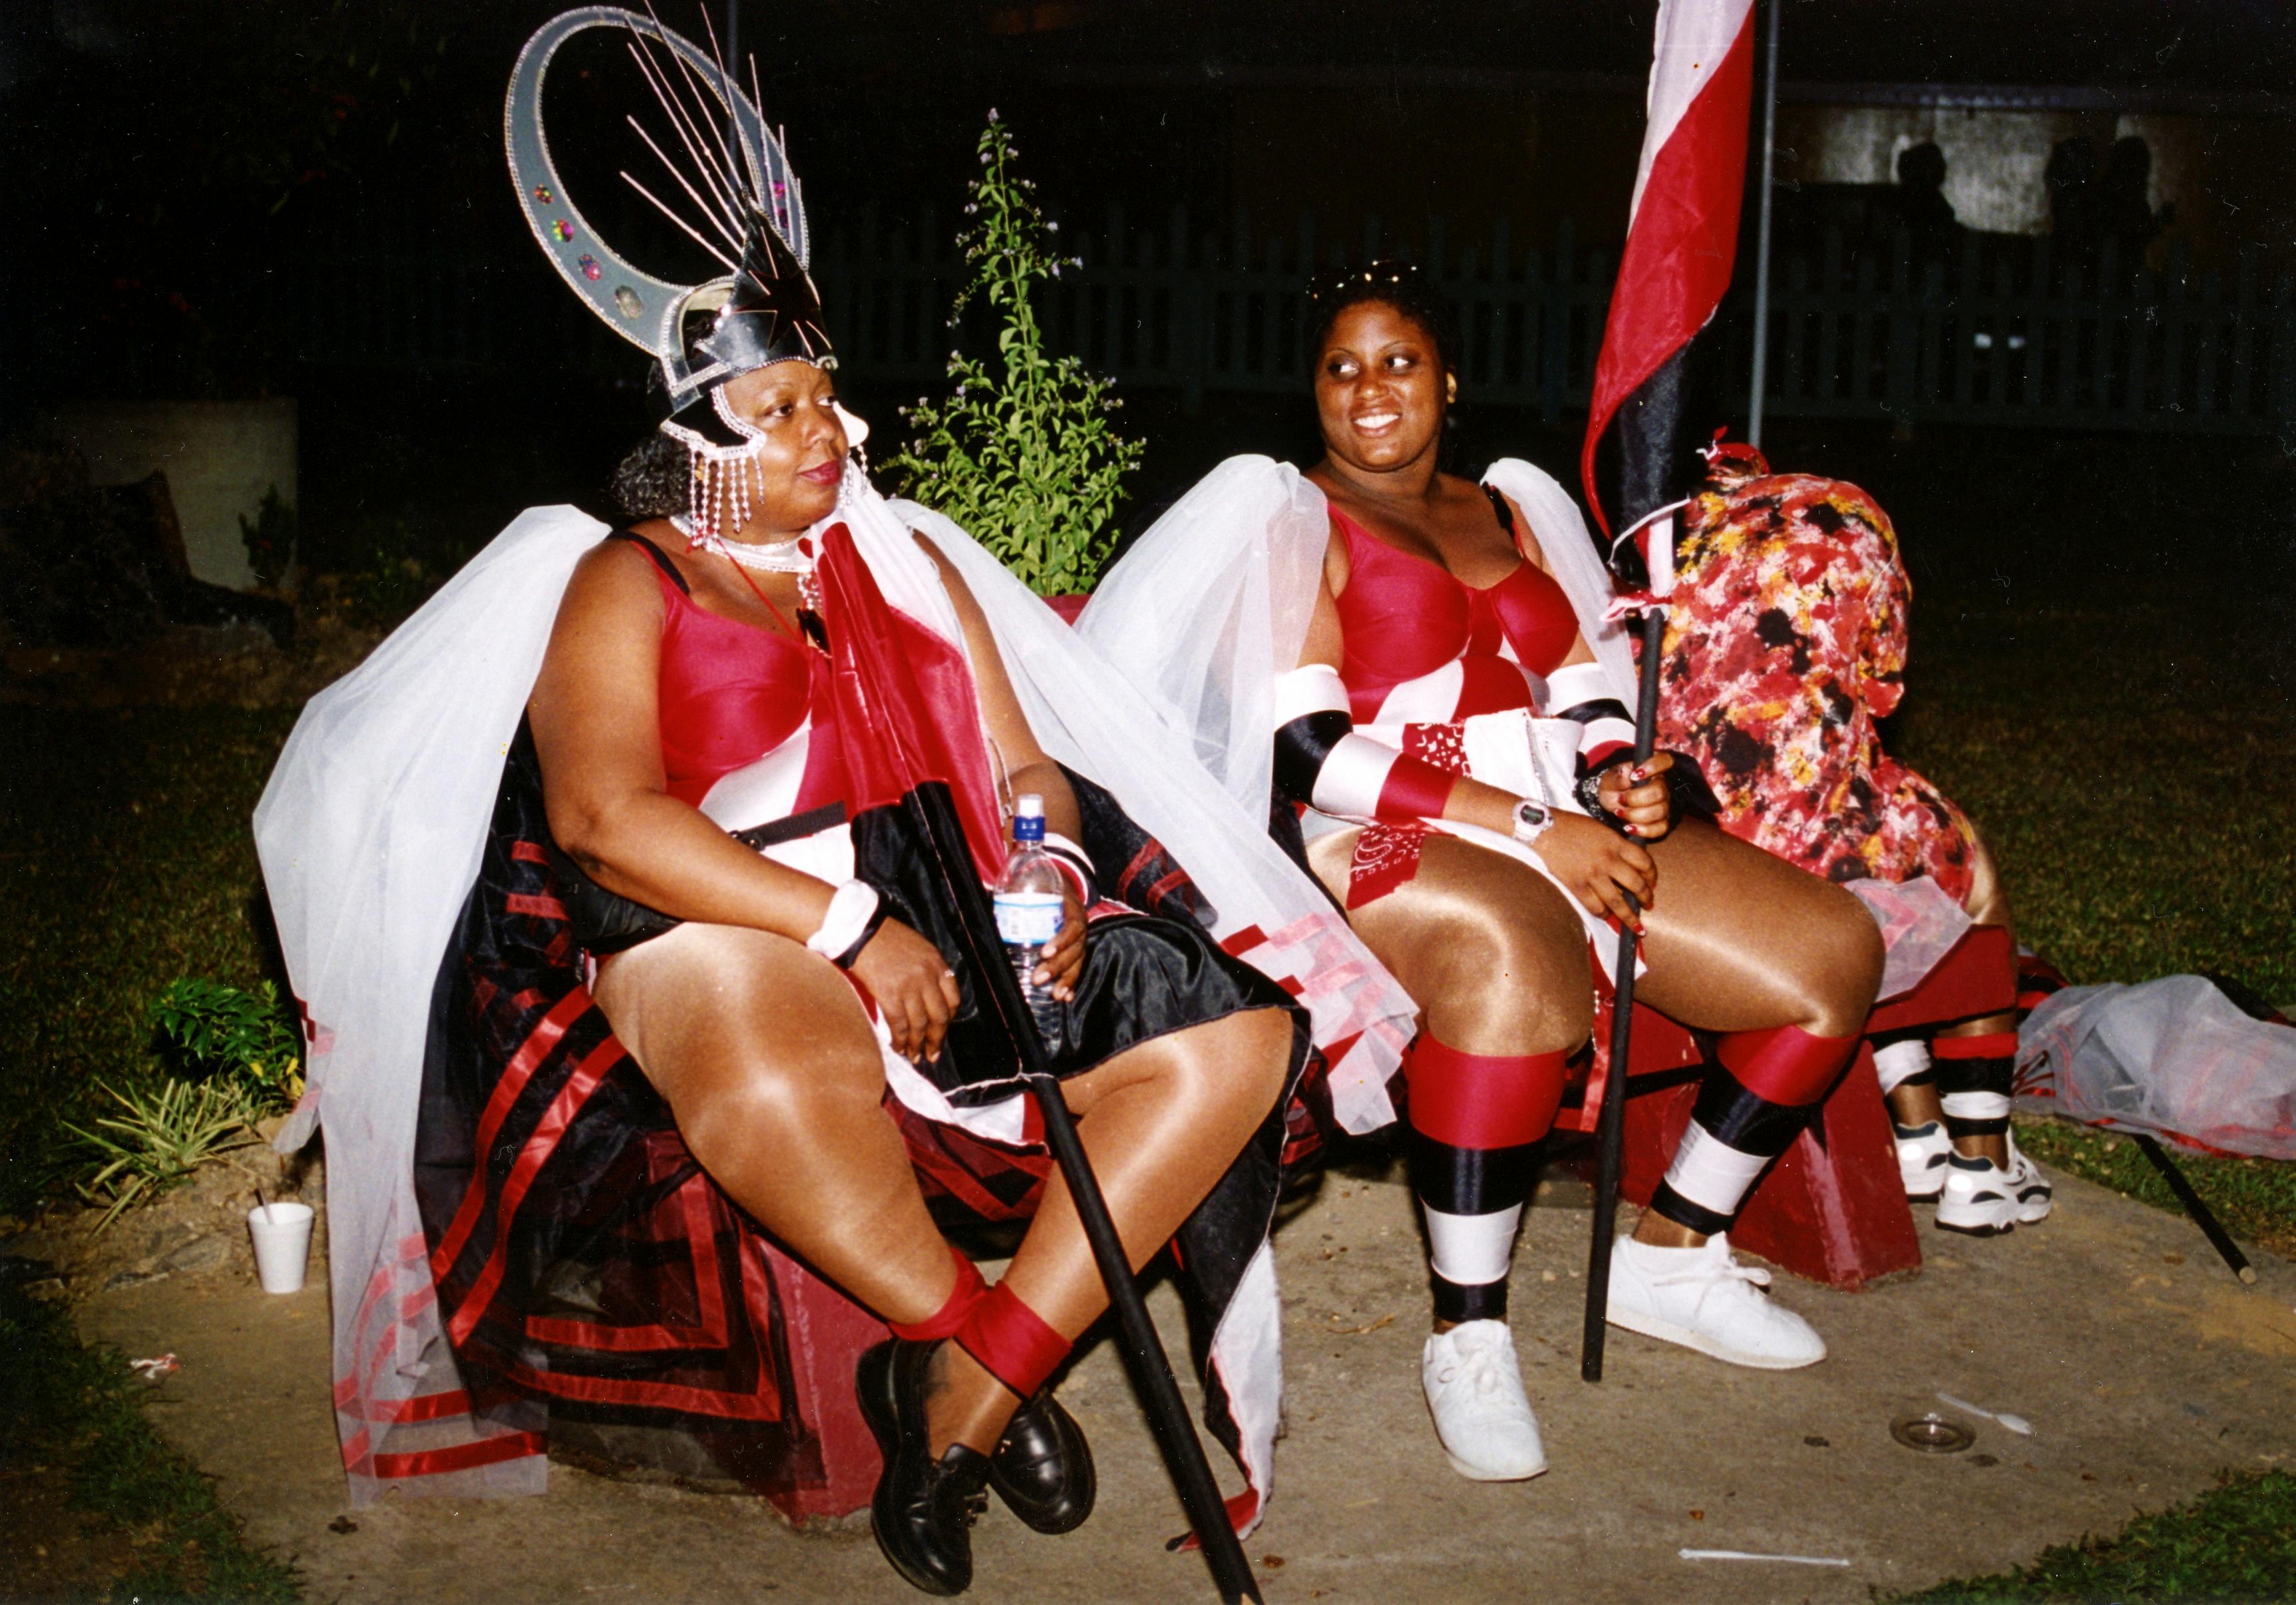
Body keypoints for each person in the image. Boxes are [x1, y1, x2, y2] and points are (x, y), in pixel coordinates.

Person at [255, 12, 1419, 1597]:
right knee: (770, 1073)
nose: (834, 430)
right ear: (697, 437)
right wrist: (849, 926)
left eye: (828, 396)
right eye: (786, 408)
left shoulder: (904, 556)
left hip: (937, 883)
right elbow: (604, 821)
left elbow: (1019, 764)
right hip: (713, 910)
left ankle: (963, 1395)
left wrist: (1049, 868)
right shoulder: (627, 580)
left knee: (1235, 1037)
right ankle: (966, 1333)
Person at [1082, 263, 1885, 1485]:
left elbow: (1584, 685)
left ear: (1448, 381)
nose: (1369, 388)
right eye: (1341, 367)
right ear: (1312, 391)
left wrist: (1619, 773)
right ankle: (1468, 1333)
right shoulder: (1297, 520)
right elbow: (1311, 751)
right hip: (1380, 828)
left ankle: (1673, 1252)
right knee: (1514, 958)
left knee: (1826, 952)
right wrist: (1533, 824)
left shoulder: (1506, 506)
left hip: (1557, 812)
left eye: (1398, 360)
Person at [1654, 438, 2050, 1234]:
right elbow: (1884, 682)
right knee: (1965, 867)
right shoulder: (1843, 516)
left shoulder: (1646, 545)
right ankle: (1982, 1160)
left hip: (1691, 839)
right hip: (1805, 844)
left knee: (1883, 862)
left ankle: (1918, 1130)